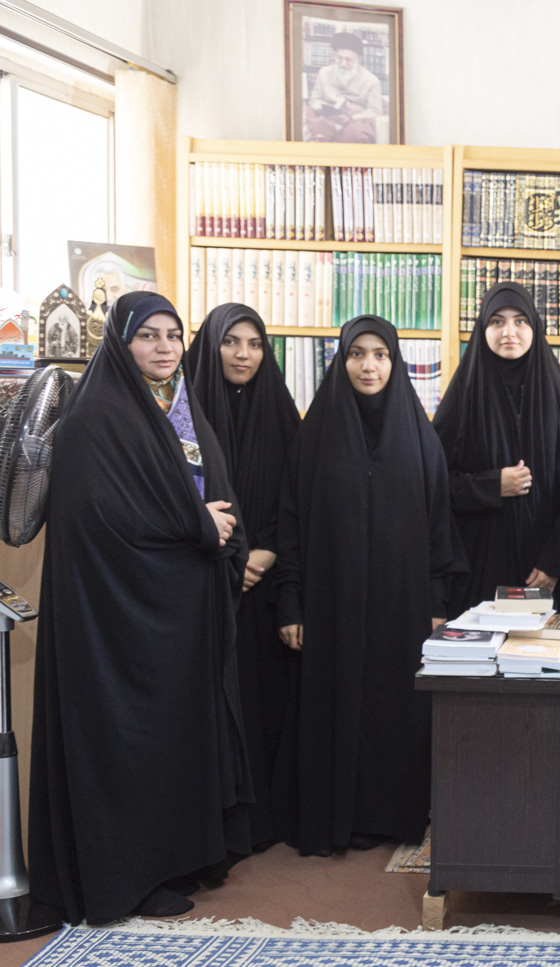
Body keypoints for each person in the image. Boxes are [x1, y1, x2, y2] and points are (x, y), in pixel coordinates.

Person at [30, 291, 252, 923]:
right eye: (148, 335)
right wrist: (197, 524)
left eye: (173, 335)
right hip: (118, 619)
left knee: (172, 740)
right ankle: (124, 879)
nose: (164, 347)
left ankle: (173, 858)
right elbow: (97, 518)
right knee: (127, 742)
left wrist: (220, 529)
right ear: (120, 343)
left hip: (177, 611)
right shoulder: (96, 415)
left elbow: (208, 483)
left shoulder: (177, 404)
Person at [276, 316, 460, 855]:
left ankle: (390, 816)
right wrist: (291, 601)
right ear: (341, 360)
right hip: (330, 600)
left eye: (381, 354)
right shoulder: (314, 435)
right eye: (357, 353)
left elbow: (439, 527)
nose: (369, 366)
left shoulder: (420, 437)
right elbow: (291, 523)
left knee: (394, 707)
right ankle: (338, 817)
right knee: (335, 704)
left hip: (402, 604)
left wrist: (436, 603)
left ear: (395, 363)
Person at [185, 303, 301, 849]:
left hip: (265, 583)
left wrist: (267, 552)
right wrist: (234, 556)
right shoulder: (181, 414)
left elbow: (300, 493)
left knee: (266, 698)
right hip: (206, 579)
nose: (243, 354)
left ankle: (264, 821)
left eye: (255, 344)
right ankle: (217, 826)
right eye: (231, 342)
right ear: (211, 346)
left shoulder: (281, 412)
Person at [436, 282, 560, 617]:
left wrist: (557, 560)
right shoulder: (464, 397)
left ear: (534, 327)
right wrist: (491, 486)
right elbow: (435, 484)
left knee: (537, 648)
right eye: (497, 321)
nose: (509, 332)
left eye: (520, 320)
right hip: (479, 565)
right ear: (483, 329)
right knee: (479, 647)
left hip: (544, 571)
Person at [304, 32, 382, 144]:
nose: (343, 64)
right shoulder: (324, 73)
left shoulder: (372, 80)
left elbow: (375, 111)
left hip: (356, 120)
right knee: (315, 126)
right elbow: (314, 100)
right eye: (339, 58)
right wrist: (325, 109)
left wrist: (352, 117)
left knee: (355, 133)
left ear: (359, 59)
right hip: (327, 117)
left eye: (348, 60)